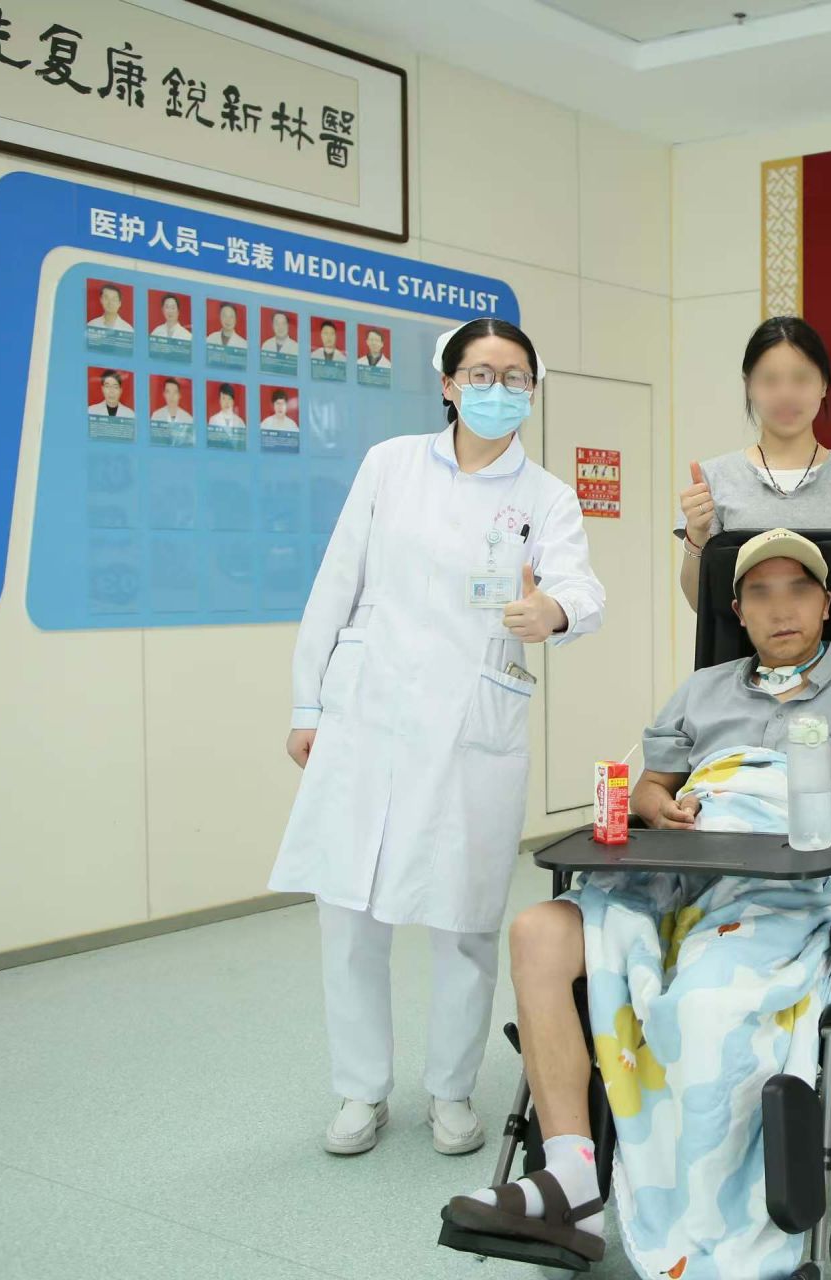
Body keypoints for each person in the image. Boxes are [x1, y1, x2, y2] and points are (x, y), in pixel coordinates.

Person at [447, 528, 831, 1276]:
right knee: (538, 930)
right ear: (738, 611)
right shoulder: (702, 690)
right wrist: (656, 805)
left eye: (798, 590)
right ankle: (572, 1177)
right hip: (682, 863)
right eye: (760, 593)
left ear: (828, 604)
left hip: (788, 880)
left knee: (703, 1001)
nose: (781, 609)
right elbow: (653, 787)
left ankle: (715, 1223)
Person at [269, 317, 605, 1161]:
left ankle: (450, 1091)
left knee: (464, 915)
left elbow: (582, 590)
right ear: (449, 384)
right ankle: (360, 1090)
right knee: (349, 908)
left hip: (470, 721)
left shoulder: (547, 496)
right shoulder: (389, 465)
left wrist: (551, 610)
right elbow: (335, 582)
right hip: (368, 712)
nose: (499, 389)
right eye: (481, 374)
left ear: (532, 391)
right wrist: (308, 705)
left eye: (516, 376)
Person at [677, 316, 831, 702]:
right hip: (737, 694)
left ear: (824, 384)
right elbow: (703, 603)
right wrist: (696, 537)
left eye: (801, 378)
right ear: (748, 385)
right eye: (770, 380)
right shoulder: (714, 479)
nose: (786, 394)